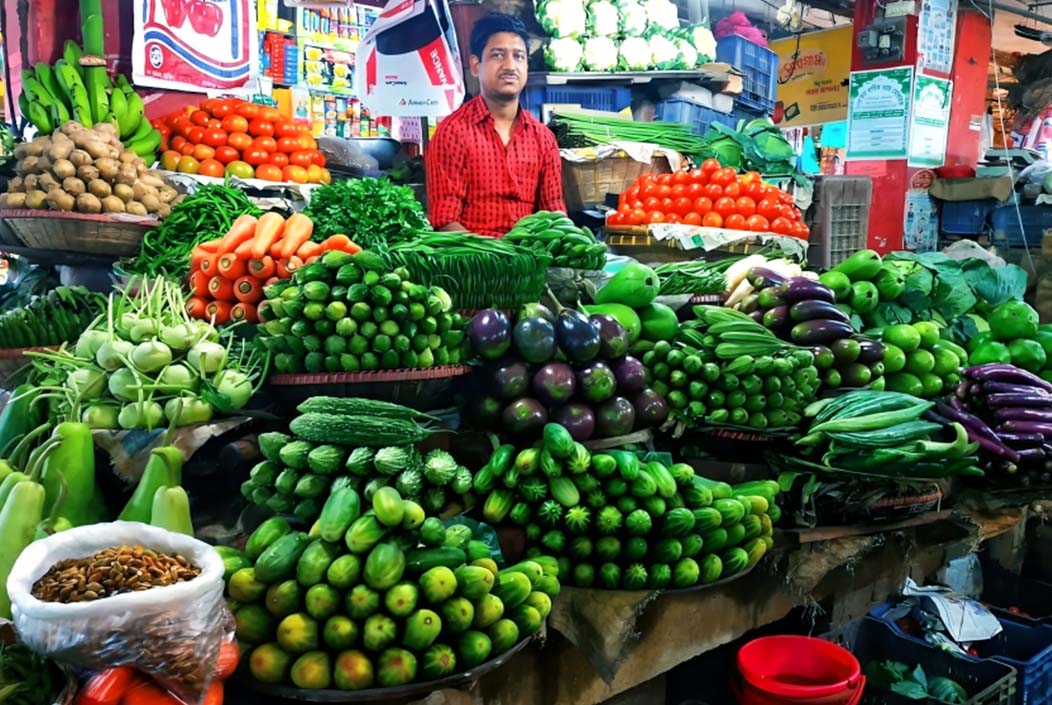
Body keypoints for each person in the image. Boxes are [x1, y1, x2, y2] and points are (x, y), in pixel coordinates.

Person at [425, 13, 566, 238]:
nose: (510, 65)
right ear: (475, 65)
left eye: (519, 56)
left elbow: (555, 215)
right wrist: (499, 257)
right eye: (498, 55)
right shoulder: (452, 133)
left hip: (530, 262)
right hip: (473, 264)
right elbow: (445, 221)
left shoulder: (544, 139)